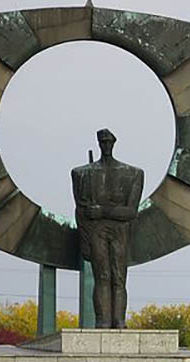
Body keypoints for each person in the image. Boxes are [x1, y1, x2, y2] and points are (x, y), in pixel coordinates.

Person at [71, 129, 144, 329]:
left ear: (113, 143)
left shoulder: (133, 174)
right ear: (98, 144)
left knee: (119, 277)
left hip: (120, 231)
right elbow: (81, 211)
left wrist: (101, 210)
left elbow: (130, 212)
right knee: (102, 276)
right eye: (102, 142)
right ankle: (102, 321)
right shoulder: (81, 174)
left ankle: (119, 321)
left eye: (108, 142)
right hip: (97, 231)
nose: (105, 145)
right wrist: (85, 239)